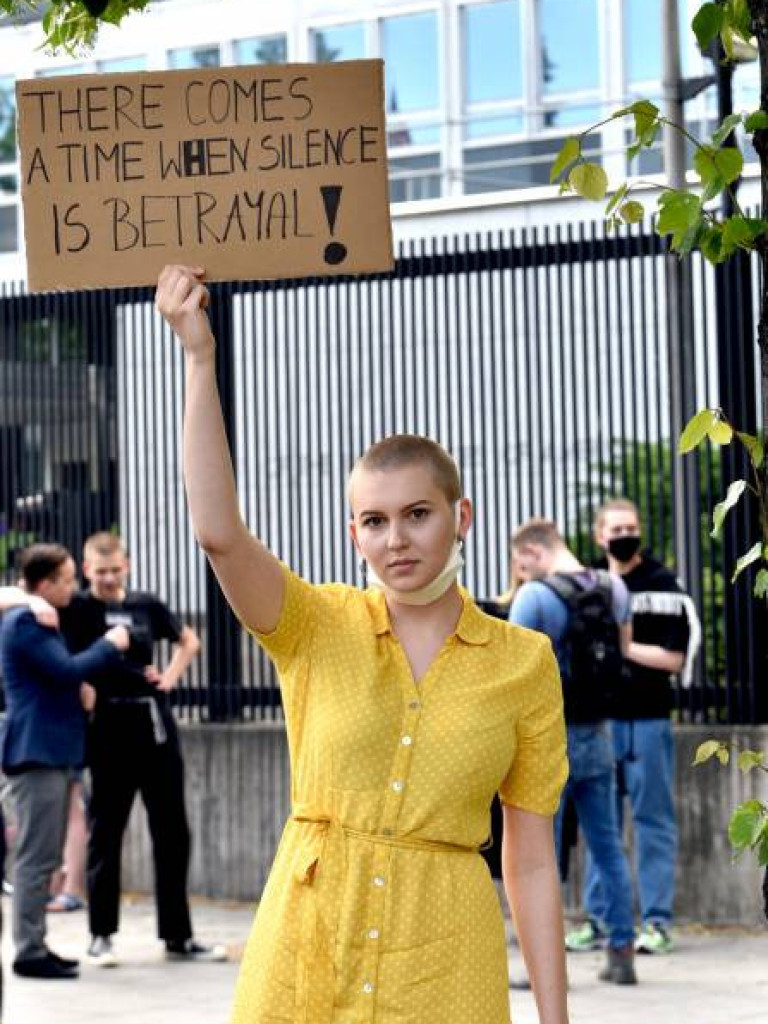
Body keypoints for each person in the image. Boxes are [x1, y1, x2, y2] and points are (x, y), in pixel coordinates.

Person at [156, 264, 571, 1024]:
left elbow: (534, 859)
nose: (396, 539)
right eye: (374, 522)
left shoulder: (523, 661)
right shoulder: (315, 625)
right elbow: (218, 534)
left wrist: (556, 1018)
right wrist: (199, 357)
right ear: (355, 535)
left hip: (447, 967)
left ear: (461, 516)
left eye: (417, 514)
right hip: (310, 952)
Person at [57, 531, 225, 968]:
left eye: (116, 570)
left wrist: (170, 677)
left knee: (172, 832)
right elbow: (62, 655)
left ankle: (178, 936)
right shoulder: (77, 608)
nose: (109, 578)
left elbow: (189, 641)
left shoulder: (145, 604)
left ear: (127, 566)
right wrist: (83, 689)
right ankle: (101, 935)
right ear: (86, 569)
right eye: (101, 571)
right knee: (106, 833)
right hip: (108, 728)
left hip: (154, 725)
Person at [509, 519, 638, 985]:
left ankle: (545, 968)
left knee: (540, 857)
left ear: (533, 552)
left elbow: (512, 674)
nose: (521, 573)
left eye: (521, 563)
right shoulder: (614, 587)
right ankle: (621, 953)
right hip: (599, 735)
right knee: (608, 847)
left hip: (547, 743)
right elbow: (623, 653)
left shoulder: (534, 597)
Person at [570, 498, 700, 956]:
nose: (625, 535)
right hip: (601, 723)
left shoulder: (664, 586)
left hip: (648, 720)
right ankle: (600, 921)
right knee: (599, 824)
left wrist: (625, 647)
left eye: (631, 527)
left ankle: (657, 922)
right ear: (600, 536)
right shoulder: (589, 586)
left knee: (652, 821)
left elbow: (674, 659)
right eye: (617, 529)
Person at [0, 544, 129, 979]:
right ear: (44, 584)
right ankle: (28, 951)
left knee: (43, 855)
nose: (73, 587)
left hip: (50, 751)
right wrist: (109, 645)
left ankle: (36, 944)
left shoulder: (34, 616)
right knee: (36, 858)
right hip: (36, 752)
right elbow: (67, 670)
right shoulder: (25, 622)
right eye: (68, 579)